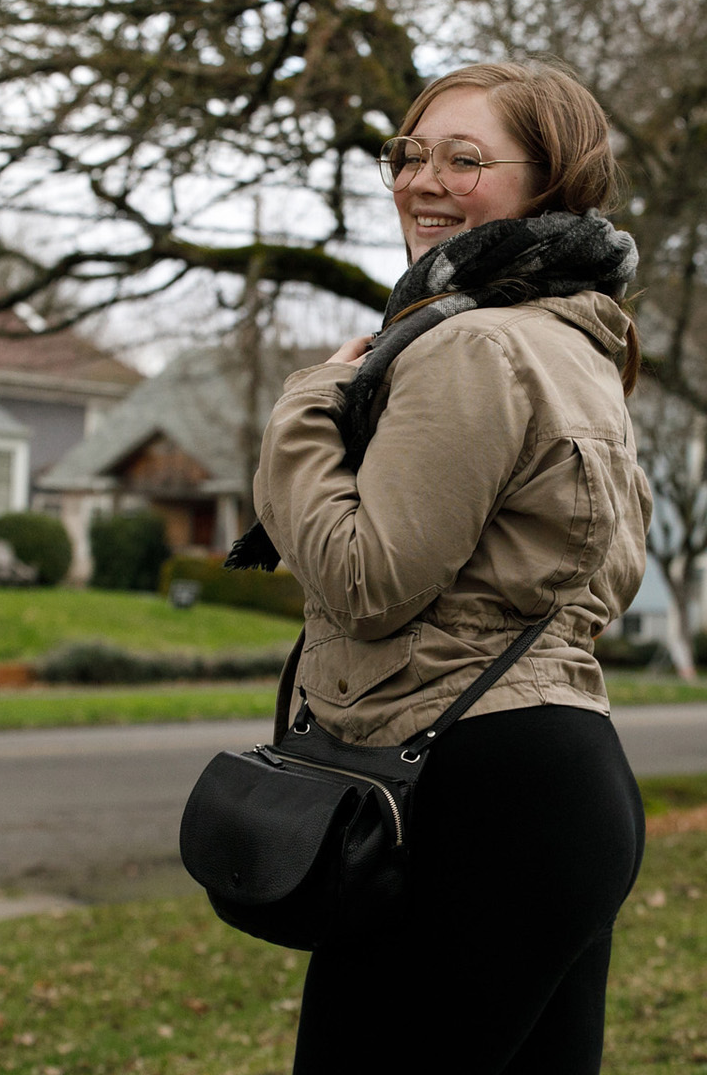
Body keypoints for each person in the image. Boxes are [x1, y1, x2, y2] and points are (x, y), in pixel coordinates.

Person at [240, 60, 652, 1074]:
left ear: (550, 183)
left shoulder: (473, 347)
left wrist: (306, 408)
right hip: (562, 788)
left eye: (464, 159)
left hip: (464, 789)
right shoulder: (581, 343)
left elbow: (368, 581)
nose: (423, 180)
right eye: (409, 154)